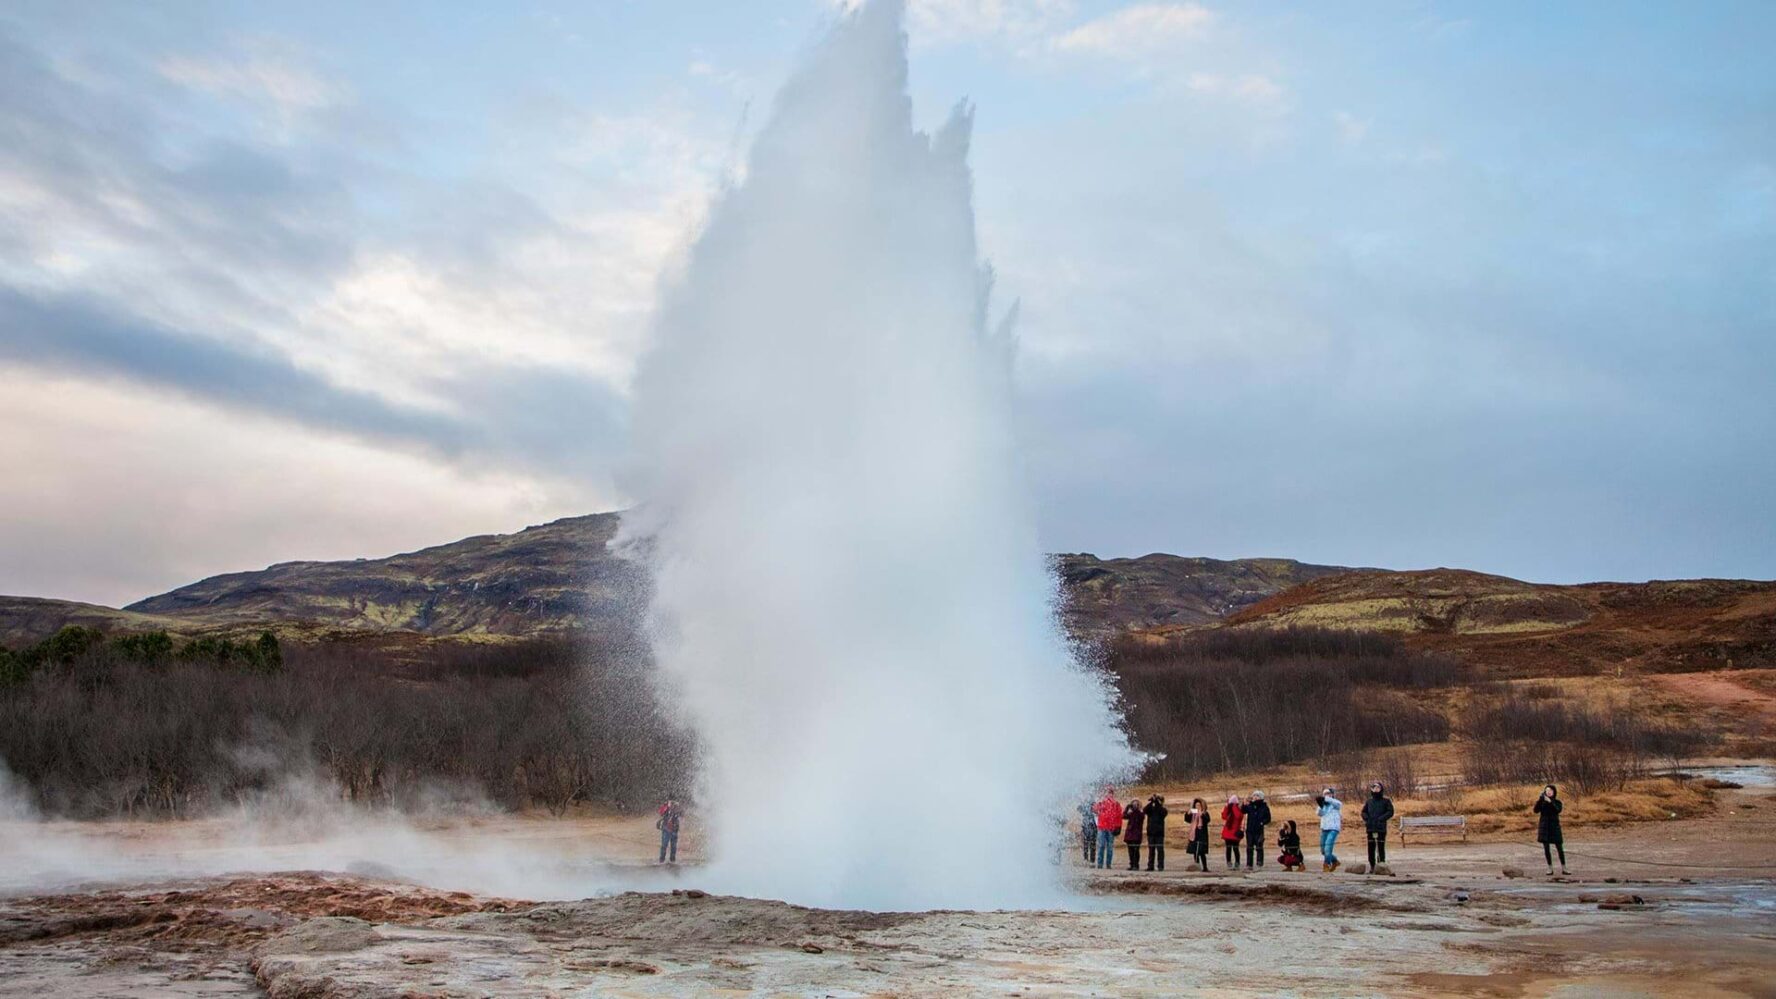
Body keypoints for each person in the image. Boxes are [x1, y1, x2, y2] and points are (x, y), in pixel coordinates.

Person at [1534, 784, 1567, 875]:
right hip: (1544, 827)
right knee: (1546, 848)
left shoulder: (1557, 802)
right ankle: (1550, 867)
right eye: (1547, 790)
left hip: (1554, 827)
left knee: (1559, 848)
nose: (1548, 792)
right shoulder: (1542, 802)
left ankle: (1564, 867)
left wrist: (1550, 802)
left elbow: (1557, 810)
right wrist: (1540, 801)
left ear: (1554, 792)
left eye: (1550, 790)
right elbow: (1535, 810)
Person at [1362, 781, 1395, 871]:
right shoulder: (1369, 801)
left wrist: (1381, 818)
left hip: (1381, 827)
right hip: (1370, 827)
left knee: (1380, 846)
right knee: (1371, 847)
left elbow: (1390, 812)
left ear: (1381, 789)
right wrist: (1367, 818)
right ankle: (1372, 866)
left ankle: (1381, 865)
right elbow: (1364, 812)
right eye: (1374, 788)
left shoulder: (1386, 801)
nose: (1376, 789)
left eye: (1378, 788)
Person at [1314, 786, 1343, 872]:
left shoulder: (1335, 804)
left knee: (1328, 847)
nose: (1326, 795)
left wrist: (1327, 799)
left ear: (1332, 794)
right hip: (1324, 828)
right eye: (1325, 794)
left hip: (1333, 828)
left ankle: (1326, 864)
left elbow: (1339, 804)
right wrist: (1321, 805)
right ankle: (1334, 860)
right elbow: (1319, 813)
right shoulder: (1324, 805)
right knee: (1323, 850)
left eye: (1328, 794)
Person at [1094, 786, 1123, 870]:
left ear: (1112, 793)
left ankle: (1108, 864)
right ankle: (1100, 864)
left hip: (1111, 828)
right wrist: (1098, 805)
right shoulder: (1101, 802)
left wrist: (1118, 827)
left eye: (1110, 792)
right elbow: (1095, 810)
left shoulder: (1116, 803)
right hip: (1102, 827)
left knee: (1110, 847)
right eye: (1107, 792)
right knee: (1101, 845)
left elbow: (1119, 816)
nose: (1109, 794)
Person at [1243, 790, 1272, 869]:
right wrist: (1244, 804)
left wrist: (1262, 823)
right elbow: (1243, 811)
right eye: (1254, 795)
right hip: (1250, 830)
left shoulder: (1264, 807)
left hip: (1259, 830)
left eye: (1257, 796)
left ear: (1261, 797)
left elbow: (1268, 818)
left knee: (1259, 847)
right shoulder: (1250, 806)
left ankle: (1259, 862)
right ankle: (1249, 864)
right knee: (1249, 847)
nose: (1255, 797)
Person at [1142, 794, 1168, 871]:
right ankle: (1150, 866)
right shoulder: (1151, 809)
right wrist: (1151, 802)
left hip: (1159, 833)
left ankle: (1160, 866)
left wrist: (1157, 802)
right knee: (1151, 850)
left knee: (1160, 850)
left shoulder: (1163, 810)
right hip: (1151, 832)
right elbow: (1144, 810)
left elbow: (1162, 812)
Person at [1220, 794, 1244, 869]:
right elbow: (1224, 816)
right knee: (1228, 848)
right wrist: (1227, 807)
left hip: (1235, 832)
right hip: (1228, 832)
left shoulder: (1238, 809)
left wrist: (1234, 807)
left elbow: (1238, 816)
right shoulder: (1229, 810)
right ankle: (1229, 862)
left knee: (1236, 848)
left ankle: (1237, 862)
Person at [1186, 797, 1211, 872]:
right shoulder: (1193, 813)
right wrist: (1189, 812)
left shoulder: (1205, 813)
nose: (1197, 807)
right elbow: (1187, 819)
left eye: (1199, 805)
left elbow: (1207, 820)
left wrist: (1201, 814)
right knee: (1195, 851)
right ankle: (1197, 865)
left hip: (1202, 834)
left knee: (1202, 852)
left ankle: (1205, 867)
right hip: (1194, 834)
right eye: (1196, 805)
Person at [1122, 798, 1146, 870]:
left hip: (1137, 833)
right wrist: (1127, 809)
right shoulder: (1130, 811)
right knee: (1130, 850)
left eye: (1136, 803)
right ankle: (1132, 864)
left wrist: (1140, 809)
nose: (1135, 805)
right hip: (1130, 833)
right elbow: (1123, 816)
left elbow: (1142, 817)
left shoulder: (1140, 812)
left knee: (1136, 850)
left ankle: (1136, 865)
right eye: (1133, 803)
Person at [656, 799, 682, 864]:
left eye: (673, 802)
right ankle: (661, 861)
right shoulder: (665, 806)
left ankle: (672, 861)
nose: (672, 804)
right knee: (664, 845)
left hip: (674, 829)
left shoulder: (677, 807)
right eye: (671, 802)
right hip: (666, 829)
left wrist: (677, 807)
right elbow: (661, 813)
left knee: (673, 847)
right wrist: (667, 806)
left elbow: (681, 814)